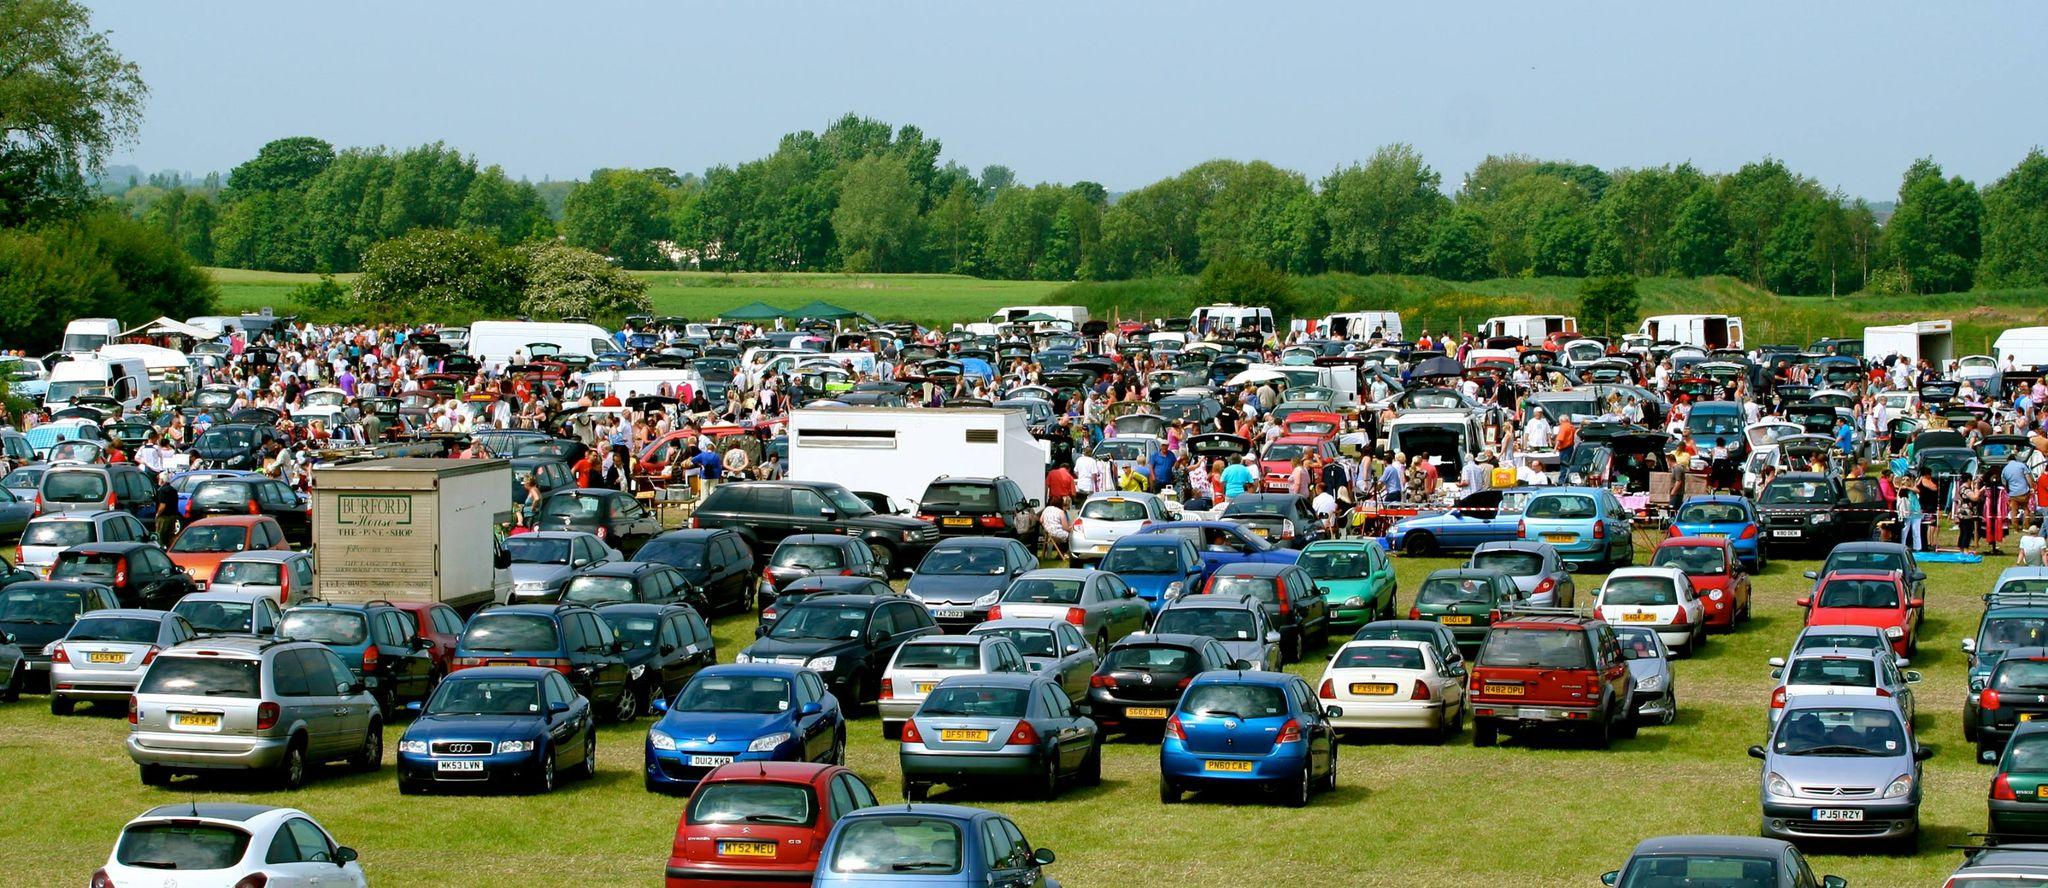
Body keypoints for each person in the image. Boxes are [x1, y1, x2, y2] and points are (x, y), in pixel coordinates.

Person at [151, 474, 179, 545]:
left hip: (164, 517)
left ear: (162, 480)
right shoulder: (173, 490)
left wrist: (157, 514)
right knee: (170, 536)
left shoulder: (162, 490)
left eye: (159, 478)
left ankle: (160, 549)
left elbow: (163, 505)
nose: (158, 480)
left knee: (160, 536)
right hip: (173, 516)